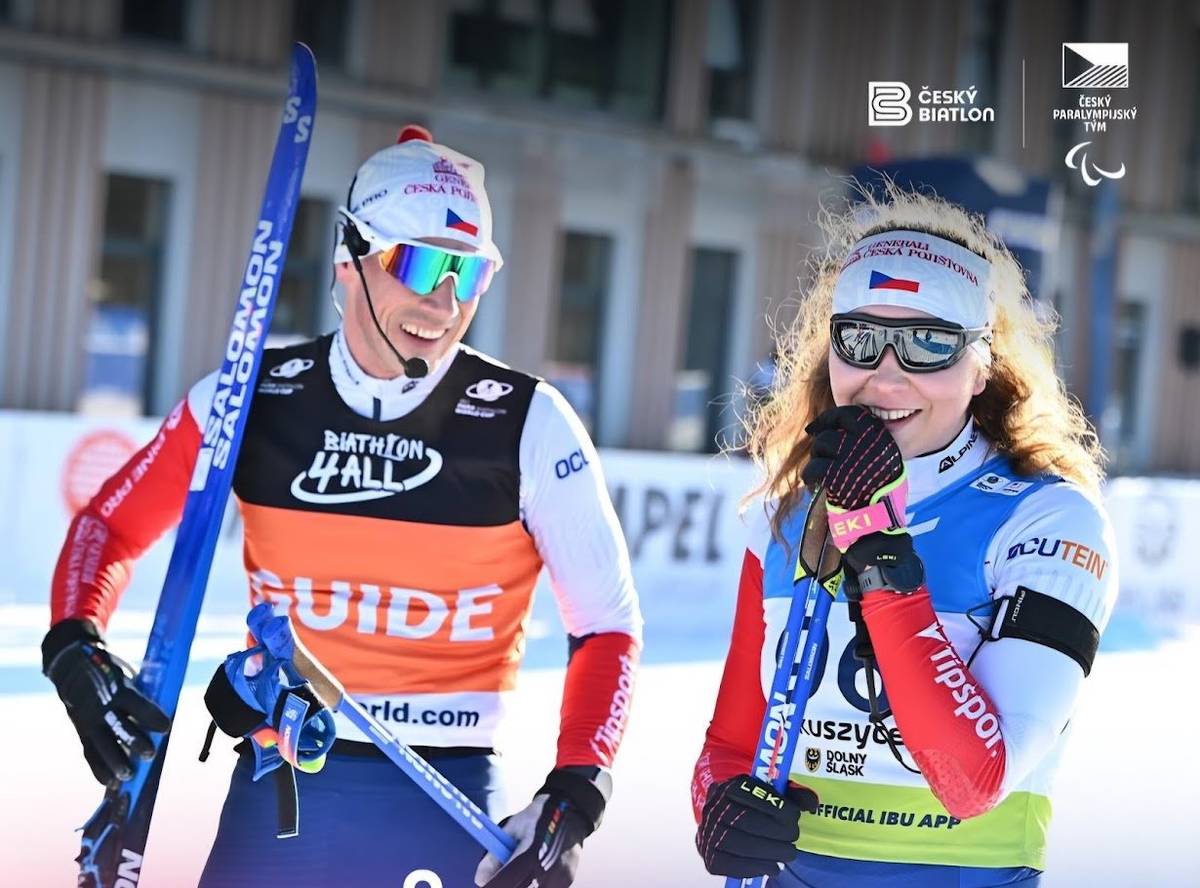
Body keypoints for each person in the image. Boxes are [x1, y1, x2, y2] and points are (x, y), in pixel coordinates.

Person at [41, 125, 642, 888]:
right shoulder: (252, 397)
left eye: (470, 272)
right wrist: (73, 645)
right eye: (420, 263)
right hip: (280, 782)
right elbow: (111, 526)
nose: (446, 300)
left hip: (444, 792)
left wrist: (576, 794)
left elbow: (607, 624)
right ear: (351, 256)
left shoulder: (529, 422)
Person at [692, 187, 1117, 887]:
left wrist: (876, 550)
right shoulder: (783, 514)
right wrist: (721, 807)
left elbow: (975, 782)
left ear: (983, 365)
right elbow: (733, 745)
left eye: (928, 344)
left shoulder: (1050, 521)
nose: (886, 375)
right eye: (859, 339)